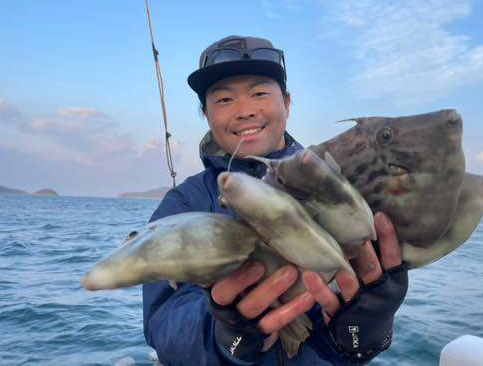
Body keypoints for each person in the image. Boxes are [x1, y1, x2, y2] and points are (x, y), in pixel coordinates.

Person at [143, 36, 408, 365]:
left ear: (287, 103)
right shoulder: (183, 204)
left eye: (259, 93)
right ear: (206, 114)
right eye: (224, 99)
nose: (245, 111)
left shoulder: (343, 187)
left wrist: (363, 333)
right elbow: (164, 321)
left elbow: (354, 335)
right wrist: (226, 337)